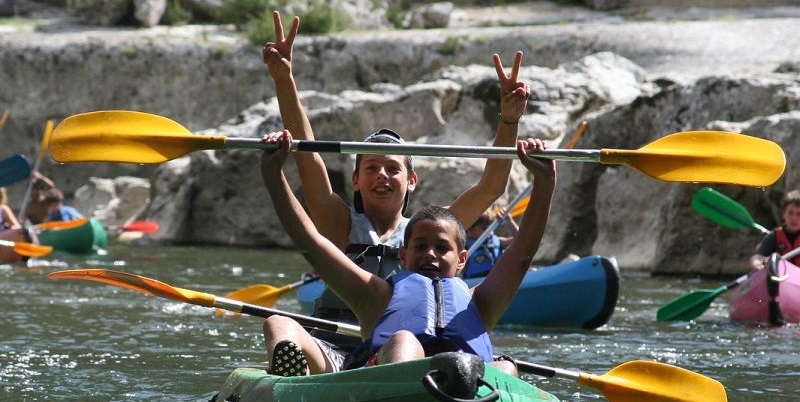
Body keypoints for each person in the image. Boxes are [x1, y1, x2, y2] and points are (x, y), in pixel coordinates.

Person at [261, 10, 531, 370]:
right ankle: (292, 371)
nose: (382, 176)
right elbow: (308, 157)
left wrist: (509, 120)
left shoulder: (429, 233)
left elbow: (492, 185)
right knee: (279, 323)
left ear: (411, 181)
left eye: (393, 169)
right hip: (335, 349)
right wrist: (284, 79)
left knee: (499, 364)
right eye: (371, 168)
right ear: (356, 180)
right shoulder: (338, 223)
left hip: (403, 351)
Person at [260, 130, 555, 376]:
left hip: (460, 380)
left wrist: (544, 183)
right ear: (402, 256)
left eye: (442, 248)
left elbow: (521, 255)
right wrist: (275, 179)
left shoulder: (480, 302)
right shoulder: (377, 296)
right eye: (420, 247)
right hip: (379, 371)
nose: (431, 255)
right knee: (282, 323)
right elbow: (312, 244)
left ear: (462, 259)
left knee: (506, 367)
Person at [750, 190, 800, 270]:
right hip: (781, 279)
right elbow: (759, 258)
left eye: (799, 214)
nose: (794, 218)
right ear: (784, 214)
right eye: (790, 213)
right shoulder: (774, 236)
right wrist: (759, 263)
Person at [463, 211, 517, 279]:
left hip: (497, 280)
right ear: (470, 229)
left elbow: (522, 239)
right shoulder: (465, 248)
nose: (490, 233)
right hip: (474, 283)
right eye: (484, 229)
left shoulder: (498, 241)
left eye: (492, 228)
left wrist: (510, 223)